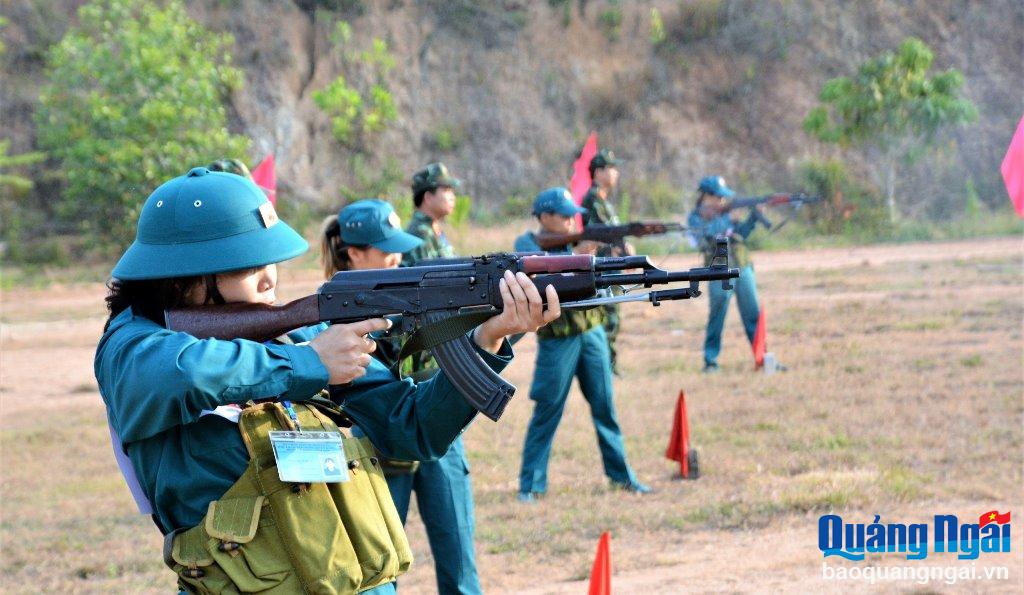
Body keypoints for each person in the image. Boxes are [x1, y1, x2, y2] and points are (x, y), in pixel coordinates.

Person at [95, 167, 558, 594]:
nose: (268, 279)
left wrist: (487, 338)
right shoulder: (134, 348)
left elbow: (411, 427)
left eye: (269, 260)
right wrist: (309, 364)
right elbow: (178, 373)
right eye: (246, 265)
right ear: (184, 277)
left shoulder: (296, 334)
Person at [321, 198, 483, 595]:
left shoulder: (416, 288)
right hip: (375, 447)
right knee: (377, 571)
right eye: (384, 249)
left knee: (459, 558)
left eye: (398, 246)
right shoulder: (329, 314)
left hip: (434, 430)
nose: (397, 257)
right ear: (354, 253)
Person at [514, 187, 651, 503]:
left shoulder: (578, 241)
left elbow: (609, 276)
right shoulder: (526, 243)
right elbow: (537, 269)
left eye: (571, 215)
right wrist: (579, 254)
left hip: (592, 331)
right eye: (563, 215)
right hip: (557, 339)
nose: (569, 221)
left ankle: (622, 476)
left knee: (606, 407)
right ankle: (531, 485)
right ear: (544, 217)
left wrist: (616, 256)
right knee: (547, 410)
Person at [686, 175, 777, 373]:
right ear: (706, 197)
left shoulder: (726, 213)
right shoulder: (696, 217)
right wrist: (728, 218)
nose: (721, 201)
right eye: (717, 197)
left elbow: (741, 234)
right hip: (718, 268)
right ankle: (711, 361)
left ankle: (763, 359)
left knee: (753, 314)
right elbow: (706, 234)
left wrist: (753, 218)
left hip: (741, 266)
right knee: (717, 316)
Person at [579, 149, 629, 374]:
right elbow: (602, 234)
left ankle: (608, 364)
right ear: (598, 172)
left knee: (612, 315)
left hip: (611, 265)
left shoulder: (602, 200)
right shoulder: (593, 199)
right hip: (603, 267)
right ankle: (606, 366)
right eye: (611, 168)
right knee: (608, 315)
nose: (615, 173)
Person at [402, 162, 459, 266]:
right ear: (428, 197)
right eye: (446, 190)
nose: (452, 197)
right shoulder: (420, 234)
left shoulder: (432, 229)